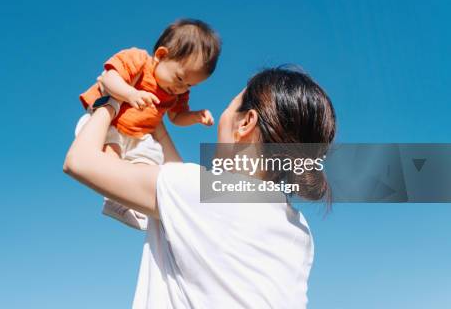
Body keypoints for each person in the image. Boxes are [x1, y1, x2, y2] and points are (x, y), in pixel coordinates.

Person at [64, 67, 336, 308]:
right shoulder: (298, 230)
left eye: (229, 108)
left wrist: (110, 100)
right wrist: (156, 123)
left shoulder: (196, 194)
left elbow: (80, 161)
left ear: (246, 122)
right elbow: (186, 194)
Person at [77, 19, 221, 229]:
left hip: (140, 136)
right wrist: (130, 93)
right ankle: (114, 199)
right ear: (162, 55)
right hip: (110, 125)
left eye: (190, 85)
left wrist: (195, 116)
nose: (182, 88)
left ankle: (128, 203)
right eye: (180, 78)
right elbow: (108, 78)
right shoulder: (138, 60)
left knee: (150, 164)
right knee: (112, 157)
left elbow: (176, 118)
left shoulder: (178, 93)